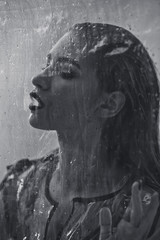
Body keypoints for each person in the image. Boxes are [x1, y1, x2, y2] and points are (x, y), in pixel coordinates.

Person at [0, 22, 160, 240]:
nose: (38, 80)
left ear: (109, 104)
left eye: (65, 72)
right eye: (46, 65)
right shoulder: (19, 187)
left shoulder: (144, 211)